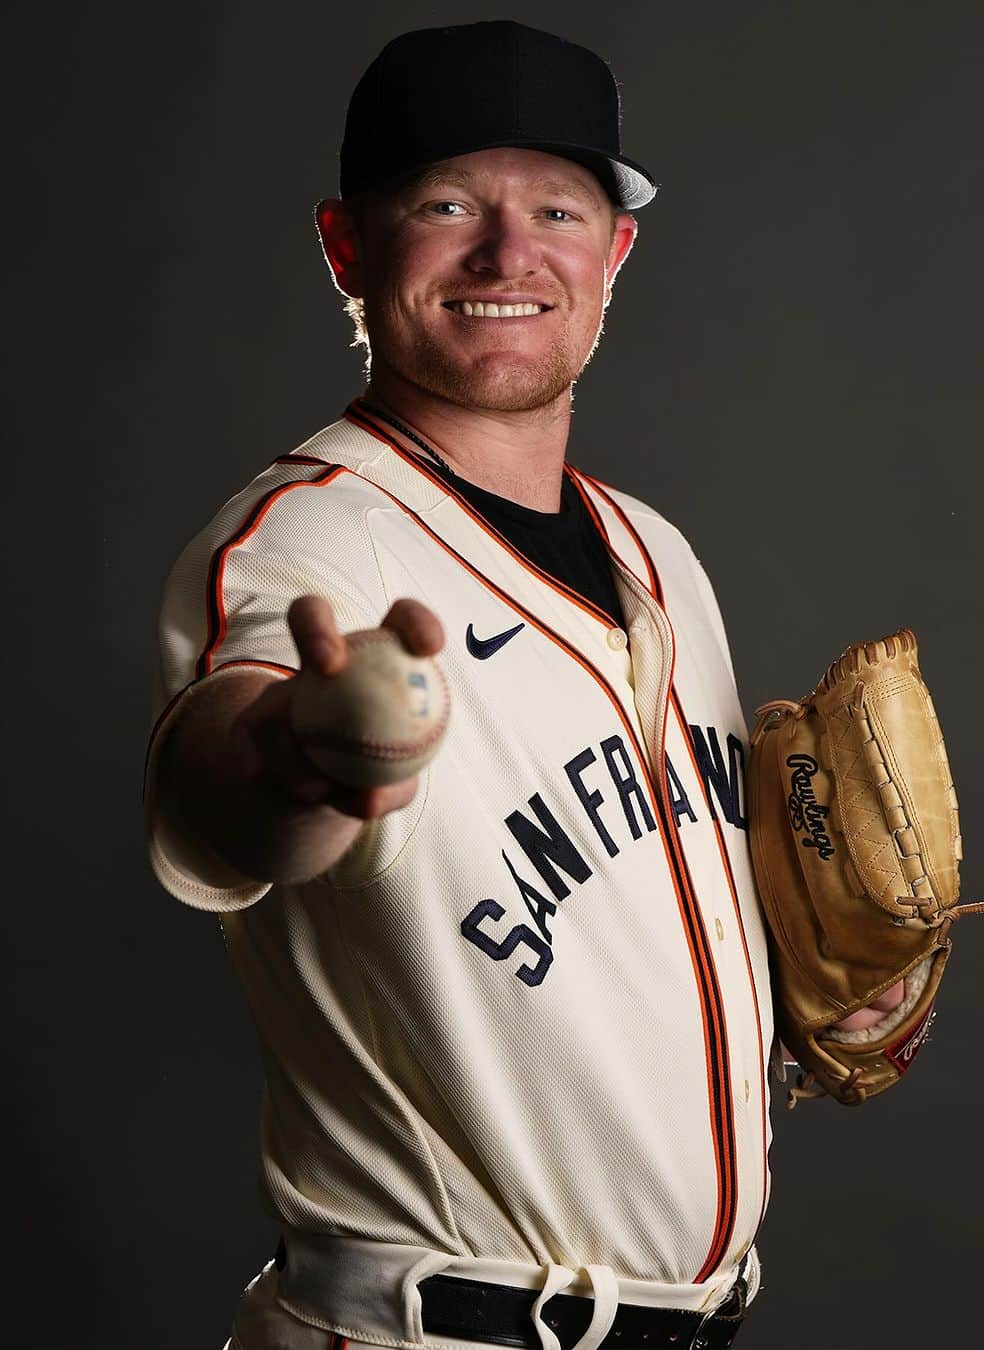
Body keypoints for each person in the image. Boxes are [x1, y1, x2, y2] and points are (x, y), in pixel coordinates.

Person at [146, 21, 904, 1350]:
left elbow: (607, 947)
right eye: (447, 204)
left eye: (557, 207)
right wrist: (311, 757)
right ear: (347, 248)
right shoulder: (311, 540)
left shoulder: (658, 552)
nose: (510, 253)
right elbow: (234, 783)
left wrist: (808, 1001)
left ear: (612, 256)